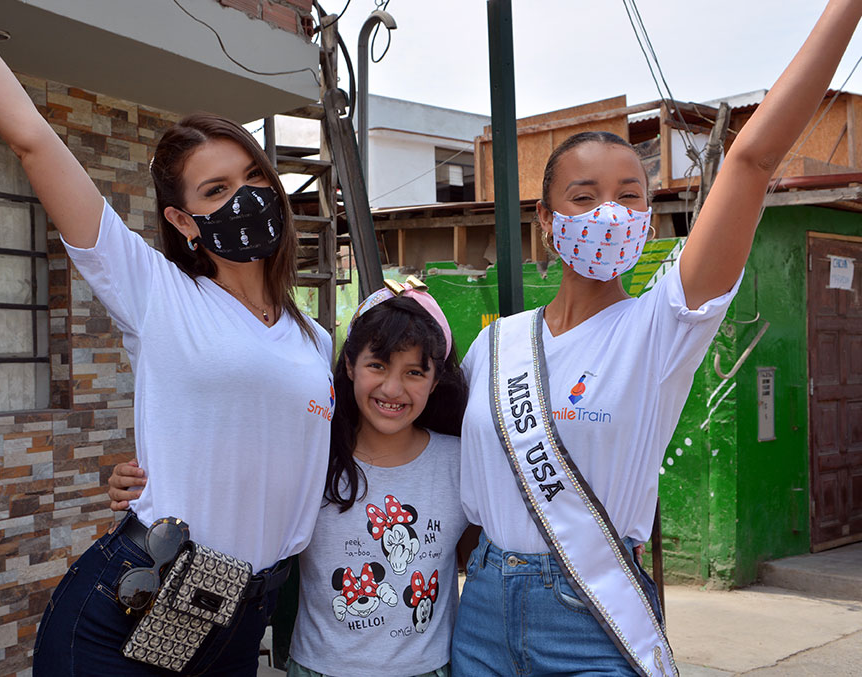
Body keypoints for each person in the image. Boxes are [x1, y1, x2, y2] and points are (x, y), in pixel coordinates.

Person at [0, 1, 334, 675]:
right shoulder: (158, 291)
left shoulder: (315, 340)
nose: (249, 196)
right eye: (218, 189)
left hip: (236, 613)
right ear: (184, 219)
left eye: (256, 177)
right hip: (140, 599)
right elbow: (30, 137)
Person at [452, 2, 862, 675]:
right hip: (483, 610)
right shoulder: (495, 347)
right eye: (584, 197)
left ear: (649, 215)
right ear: (548, 223)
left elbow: (753, 159)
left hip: (591, 615)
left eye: (630, 195)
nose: (609, 212)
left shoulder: (661, 326)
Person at [111, 282, 471, 676]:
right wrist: (149, 486)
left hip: (430, 668)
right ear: (349, 364)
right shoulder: (311, 455)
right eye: (378, 365)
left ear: (436, 381)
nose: (392, 388)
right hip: (319, 669)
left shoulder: (460, 462)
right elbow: (226, 492)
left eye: (415, 372)